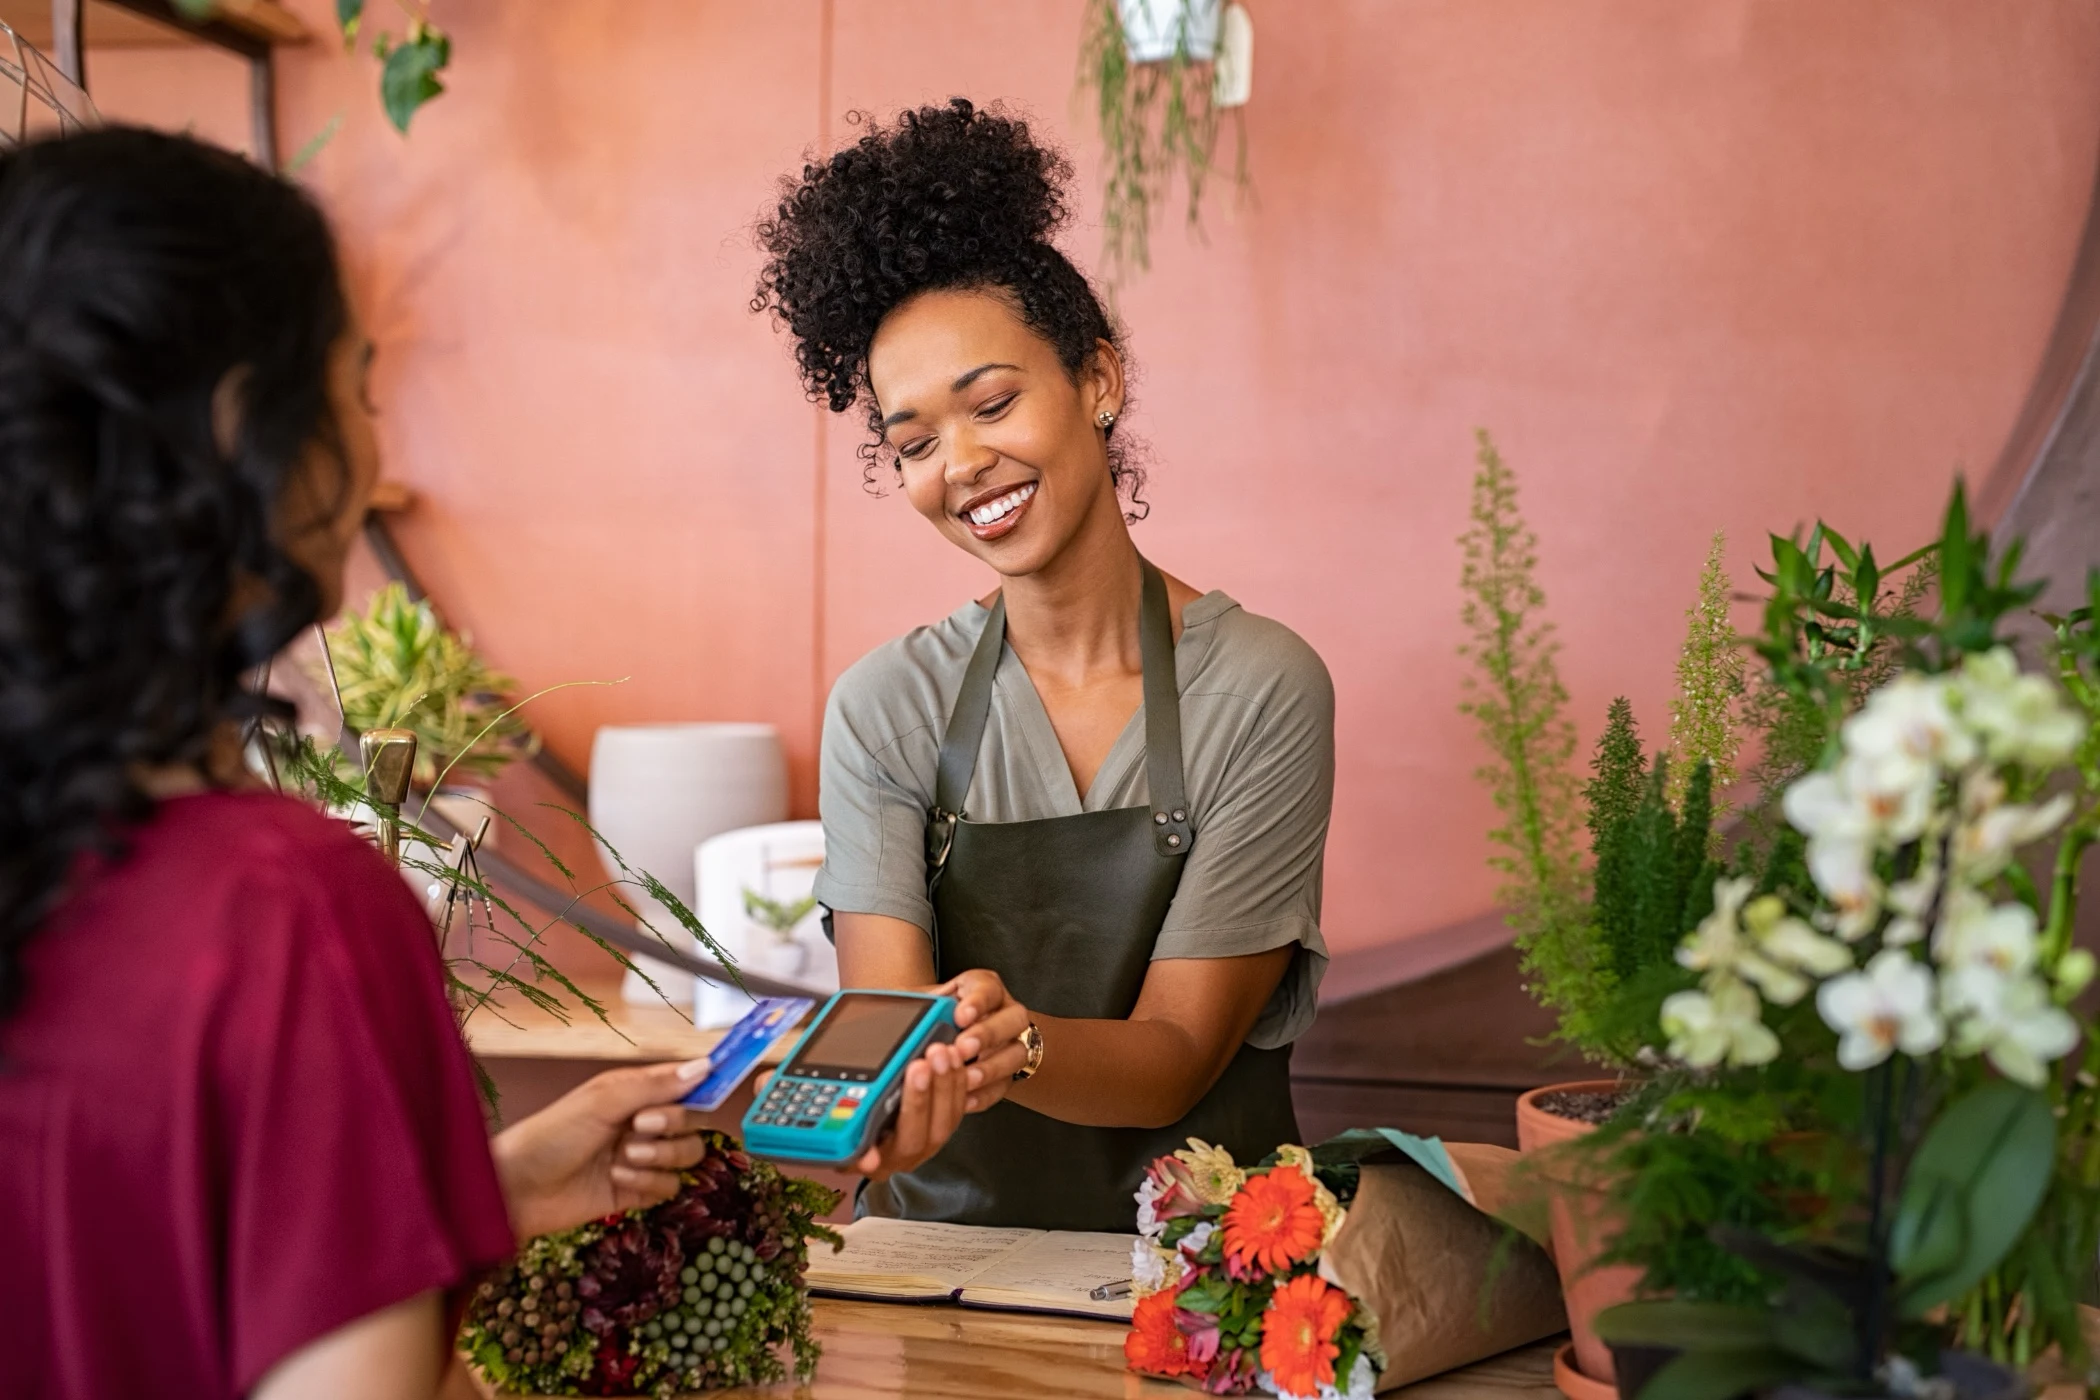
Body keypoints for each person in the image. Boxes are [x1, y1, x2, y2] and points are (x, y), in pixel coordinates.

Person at [0, 127, 995, 1400]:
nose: (368, 447)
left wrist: (493, 1188)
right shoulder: (287, 909)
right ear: (252, 428)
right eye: (358, 389)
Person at [754, 99, 1335, 1231]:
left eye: (994, 401)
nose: (962, 463)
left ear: (1099, 382)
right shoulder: (886, 706)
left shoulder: (1263, 686)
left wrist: (1005, 1039)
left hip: (1209, 1274)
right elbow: (885, 1024)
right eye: (914, 442)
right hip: (944, 1276)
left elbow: (1176, 1053)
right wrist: (891, 1094)